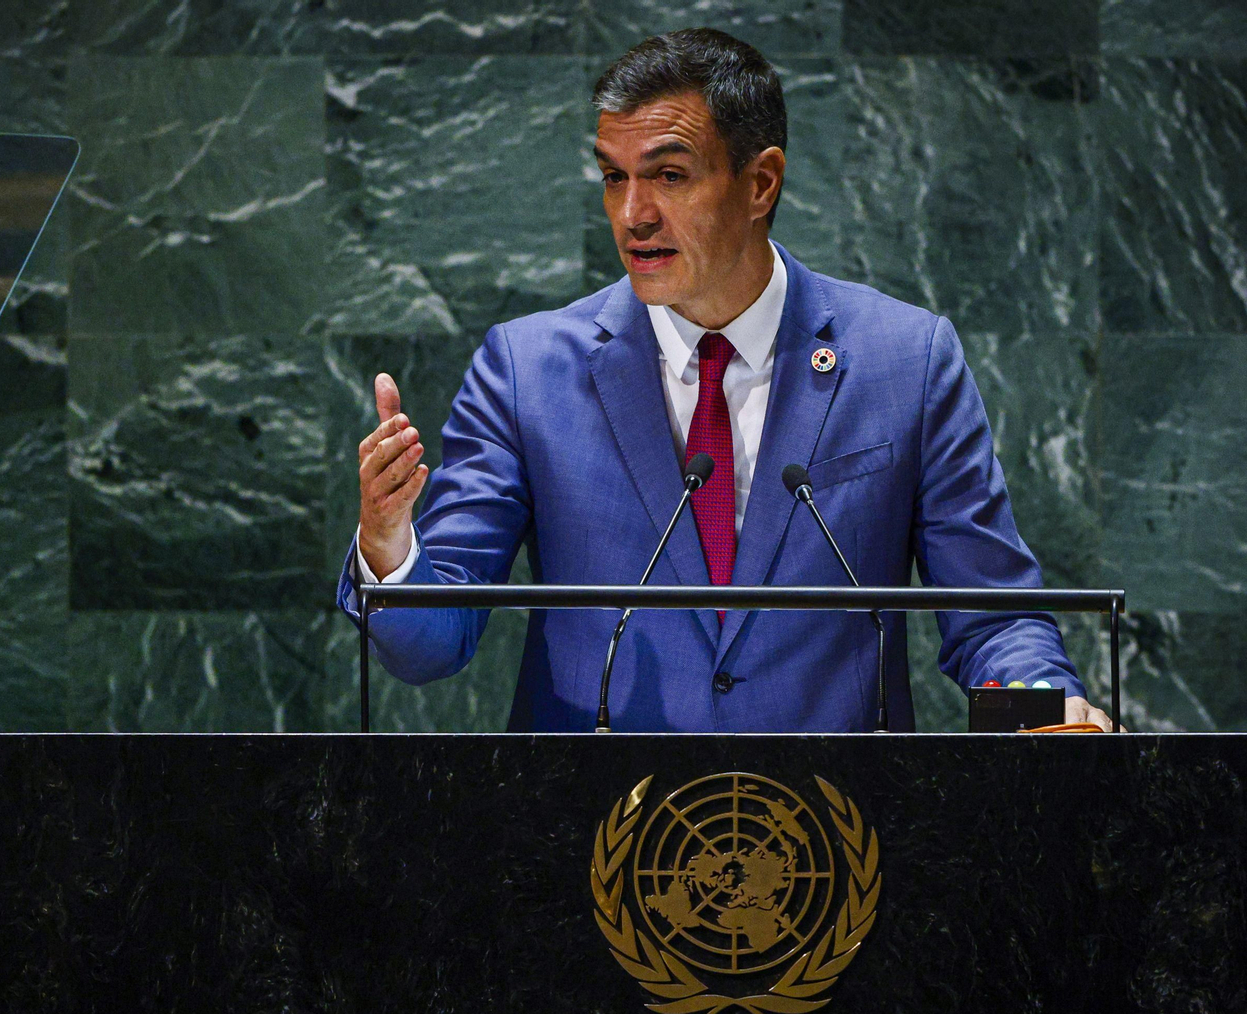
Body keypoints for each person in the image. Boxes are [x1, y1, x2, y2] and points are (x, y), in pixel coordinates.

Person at [336, 27, 1113, 733]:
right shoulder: (525, 370)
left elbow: (993, 616)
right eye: (613, 177)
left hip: (833, 831)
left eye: (669, 176)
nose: (632, 214)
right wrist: (388, 542)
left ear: (760, 183)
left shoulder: (905, 362)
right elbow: (431, 644)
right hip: (591, 826)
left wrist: (1042, 710)